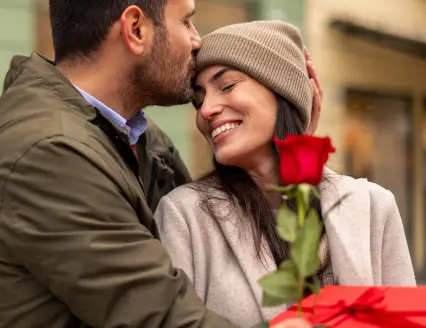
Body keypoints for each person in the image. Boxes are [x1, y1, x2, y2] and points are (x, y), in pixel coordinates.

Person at [0, 0, 320, 326]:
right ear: (136, 29)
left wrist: (286, 147)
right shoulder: (49, 152)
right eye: (186, 20)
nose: (197, 40)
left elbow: (221, 234)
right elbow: (160, 317)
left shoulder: (129, 135)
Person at [154, 20, 416, 328]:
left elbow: (405, 321)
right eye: (198, 99)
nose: (206, 109)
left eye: (227, 86)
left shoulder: (373, 206)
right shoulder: (184, 216)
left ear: (281, 90)